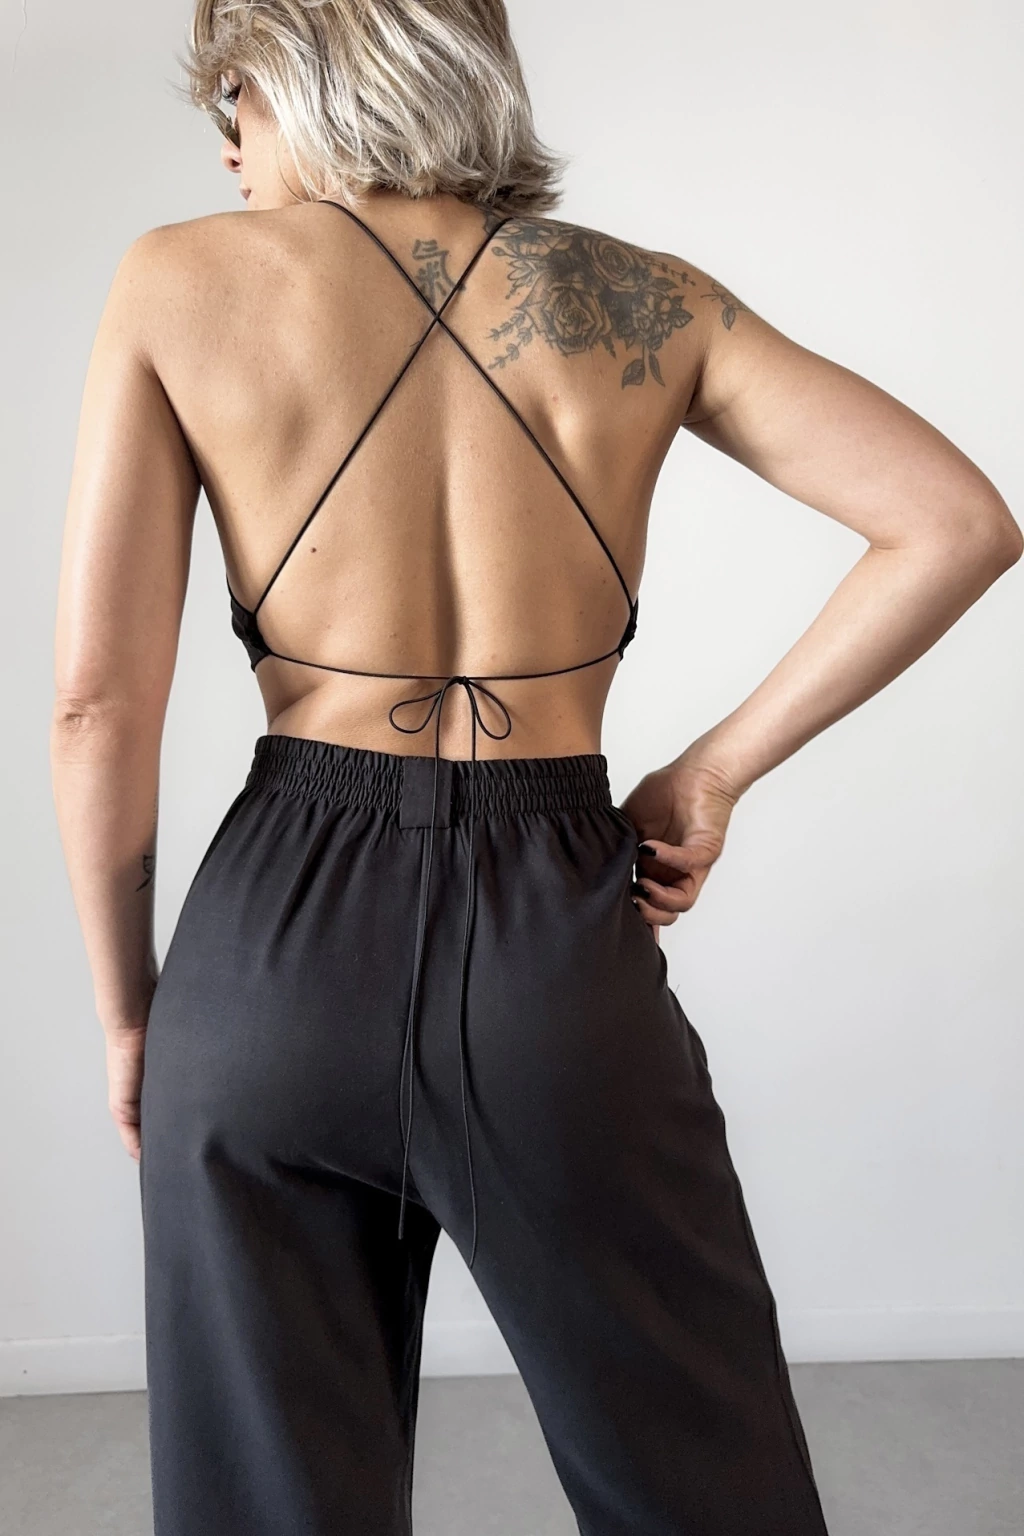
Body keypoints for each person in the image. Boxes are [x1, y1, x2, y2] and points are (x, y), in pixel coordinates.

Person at [50, 2, 1020, 1534]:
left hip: (275, 943)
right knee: (707, 1489)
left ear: (311, 71)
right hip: (552, 934)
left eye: (235, 94)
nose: (226, 141)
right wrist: (711, 775)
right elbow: (956, 522)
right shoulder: (646, 300)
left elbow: (97, 704)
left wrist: (129, 1013)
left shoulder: (178, 280)